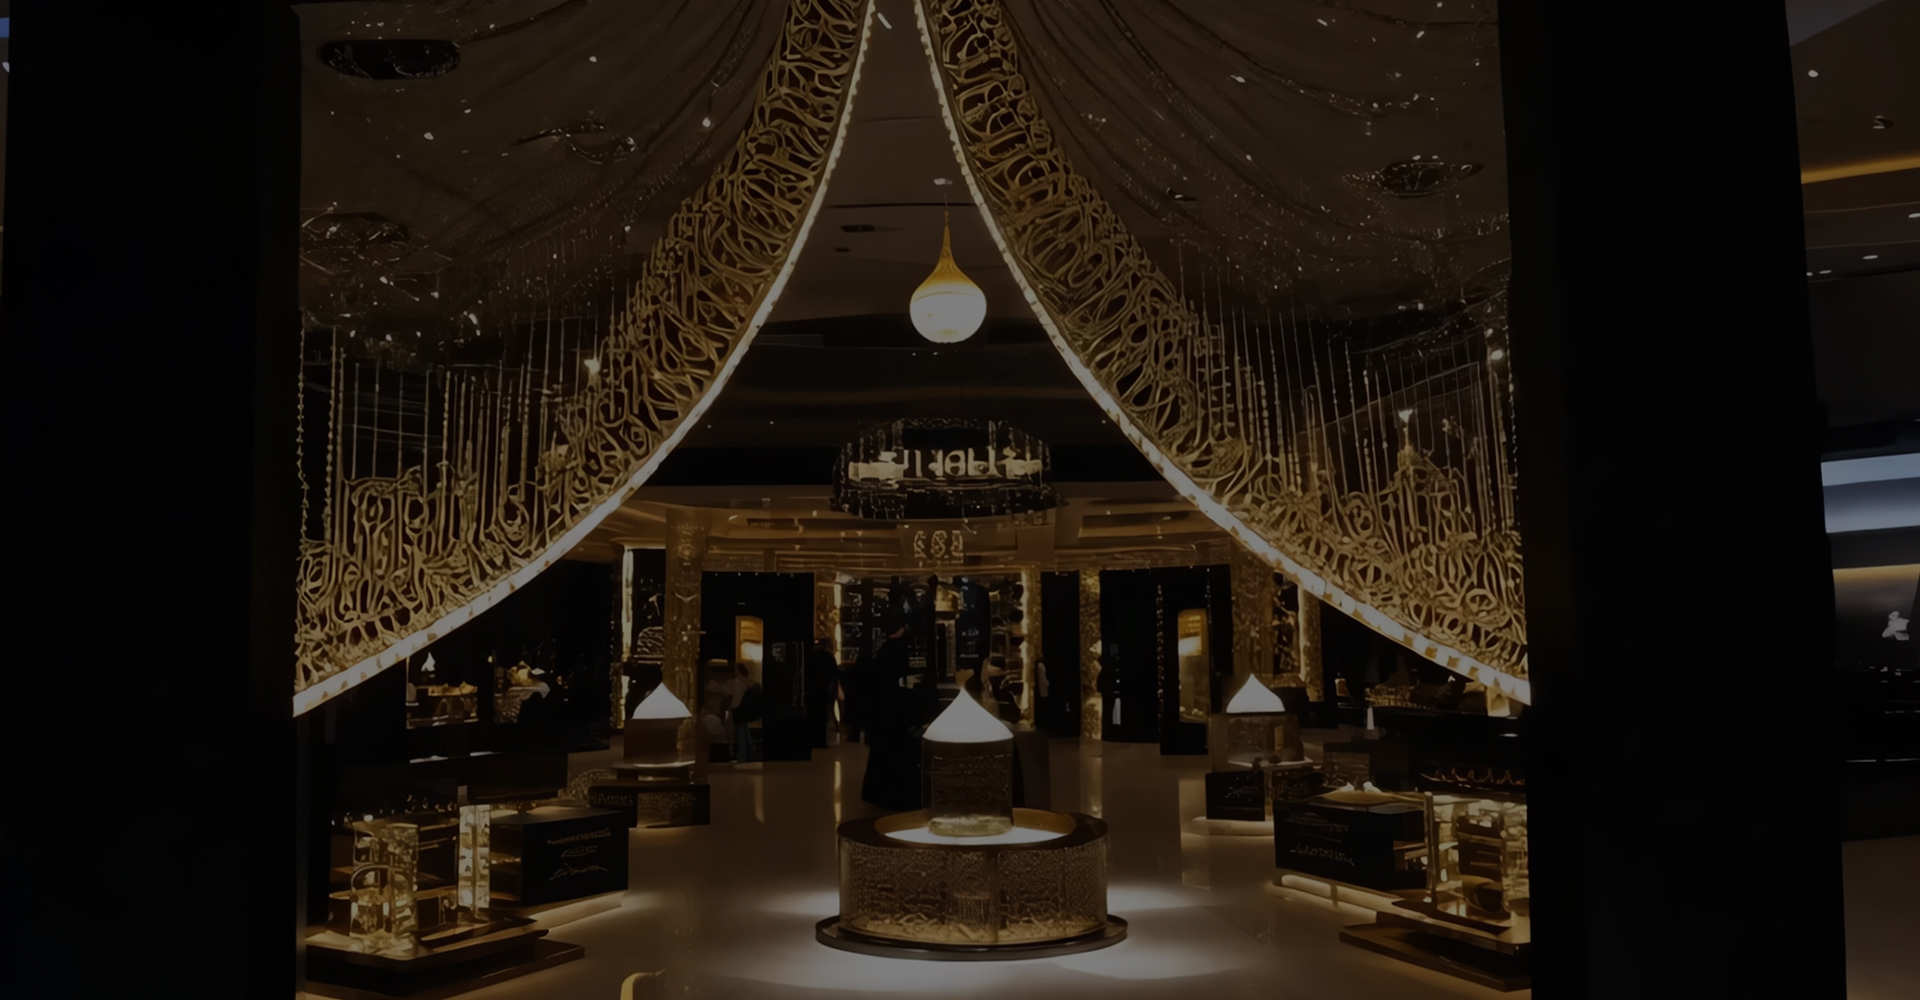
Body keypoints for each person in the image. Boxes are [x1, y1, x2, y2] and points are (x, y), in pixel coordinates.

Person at [860, 621, 923, 810]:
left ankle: (880, 793)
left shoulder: (882, 651)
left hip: (881, 712)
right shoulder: (899, 650)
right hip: (895, 712)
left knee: (882, 754)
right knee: (898, 754)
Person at [805, 638, 839, 749]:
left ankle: (812, 739)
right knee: (822, 716)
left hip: (812, 690)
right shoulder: (828, 657)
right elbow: (834, 674)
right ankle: (821, 741)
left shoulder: (811, 656)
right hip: (823, 689)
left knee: (812, 715)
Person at [729, 663, 766, 763]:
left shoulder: (743, 686)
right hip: (746, 716)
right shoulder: (751, 685)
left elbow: (737, 704)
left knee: (742, 738)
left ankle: (743, 757)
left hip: (743, 716)